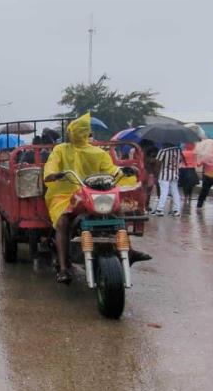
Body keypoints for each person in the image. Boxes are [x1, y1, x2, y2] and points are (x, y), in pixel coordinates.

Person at [43, 114, 141, 284]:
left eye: (78, 131)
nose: (76, 134)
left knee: (116, 209)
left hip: (94, 192)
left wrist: (124, 171)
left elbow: (111, 169)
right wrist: (52, 174)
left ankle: (129, 249)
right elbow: (51, 165)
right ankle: (64, 267)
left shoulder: (97, 152)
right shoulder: (60, 150)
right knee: (63, 222)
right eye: (76, 131)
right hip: (65, 194)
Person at [153, 142, 183, 216]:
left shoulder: (163, 151)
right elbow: (180, 161)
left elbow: (158, 163)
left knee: (164, 192)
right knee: (175, 191)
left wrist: (156, 175)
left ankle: (160, 209)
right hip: (175, 173)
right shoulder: (179, 150)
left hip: (164, 174)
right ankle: (176, 210)